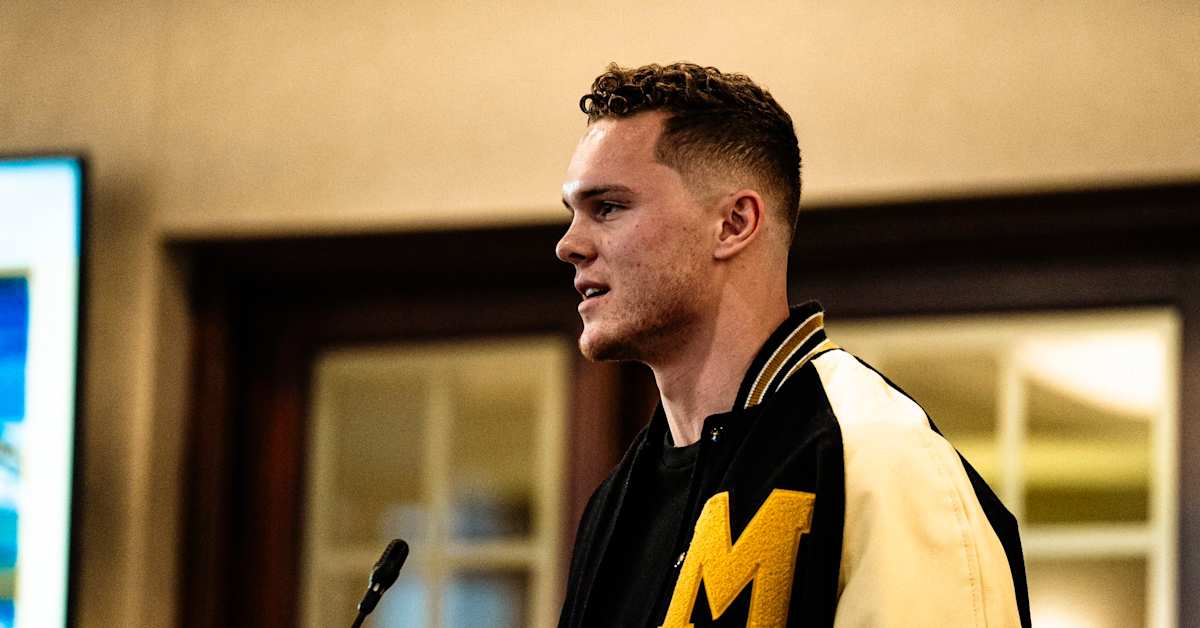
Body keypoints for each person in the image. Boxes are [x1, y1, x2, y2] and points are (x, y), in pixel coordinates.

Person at [554, 62, 1031, 628]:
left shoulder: (880, 456)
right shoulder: (615, 501)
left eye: (608, 208)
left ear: (734, 224)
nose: (569, 245)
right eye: (574, 213)